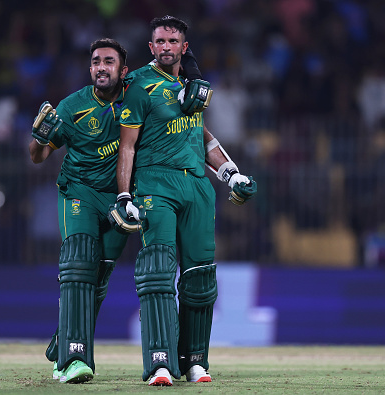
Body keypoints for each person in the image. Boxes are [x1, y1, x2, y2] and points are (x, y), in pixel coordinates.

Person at [115, 16, 257, 386]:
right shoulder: (137, 84)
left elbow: (203, 136)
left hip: (196, 187)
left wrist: (232, 174)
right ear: (151, 47)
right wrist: (125, 194)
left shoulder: (192, 85)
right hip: (155, 184)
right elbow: (127, 146)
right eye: (159, 41)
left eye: (172, 41)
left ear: (183, 47)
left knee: (200, 278)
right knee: (158, 274)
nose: (165, 46)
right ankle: (159, 363)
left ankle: (195, 361)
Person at [28, 38, 131, 384]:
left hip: (119, 199)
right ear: (90, 69)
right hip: (79, 193)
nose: (101, 67)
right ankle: (73, 358)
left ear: (123, 70)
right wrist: (40, 137)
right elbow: (38, 156)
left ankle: (62, 340)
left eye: (109, 62)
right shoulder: (72, 106)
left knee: (99, 279)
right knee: (79, 265)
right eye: (96, 62)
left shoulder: (136, 100)